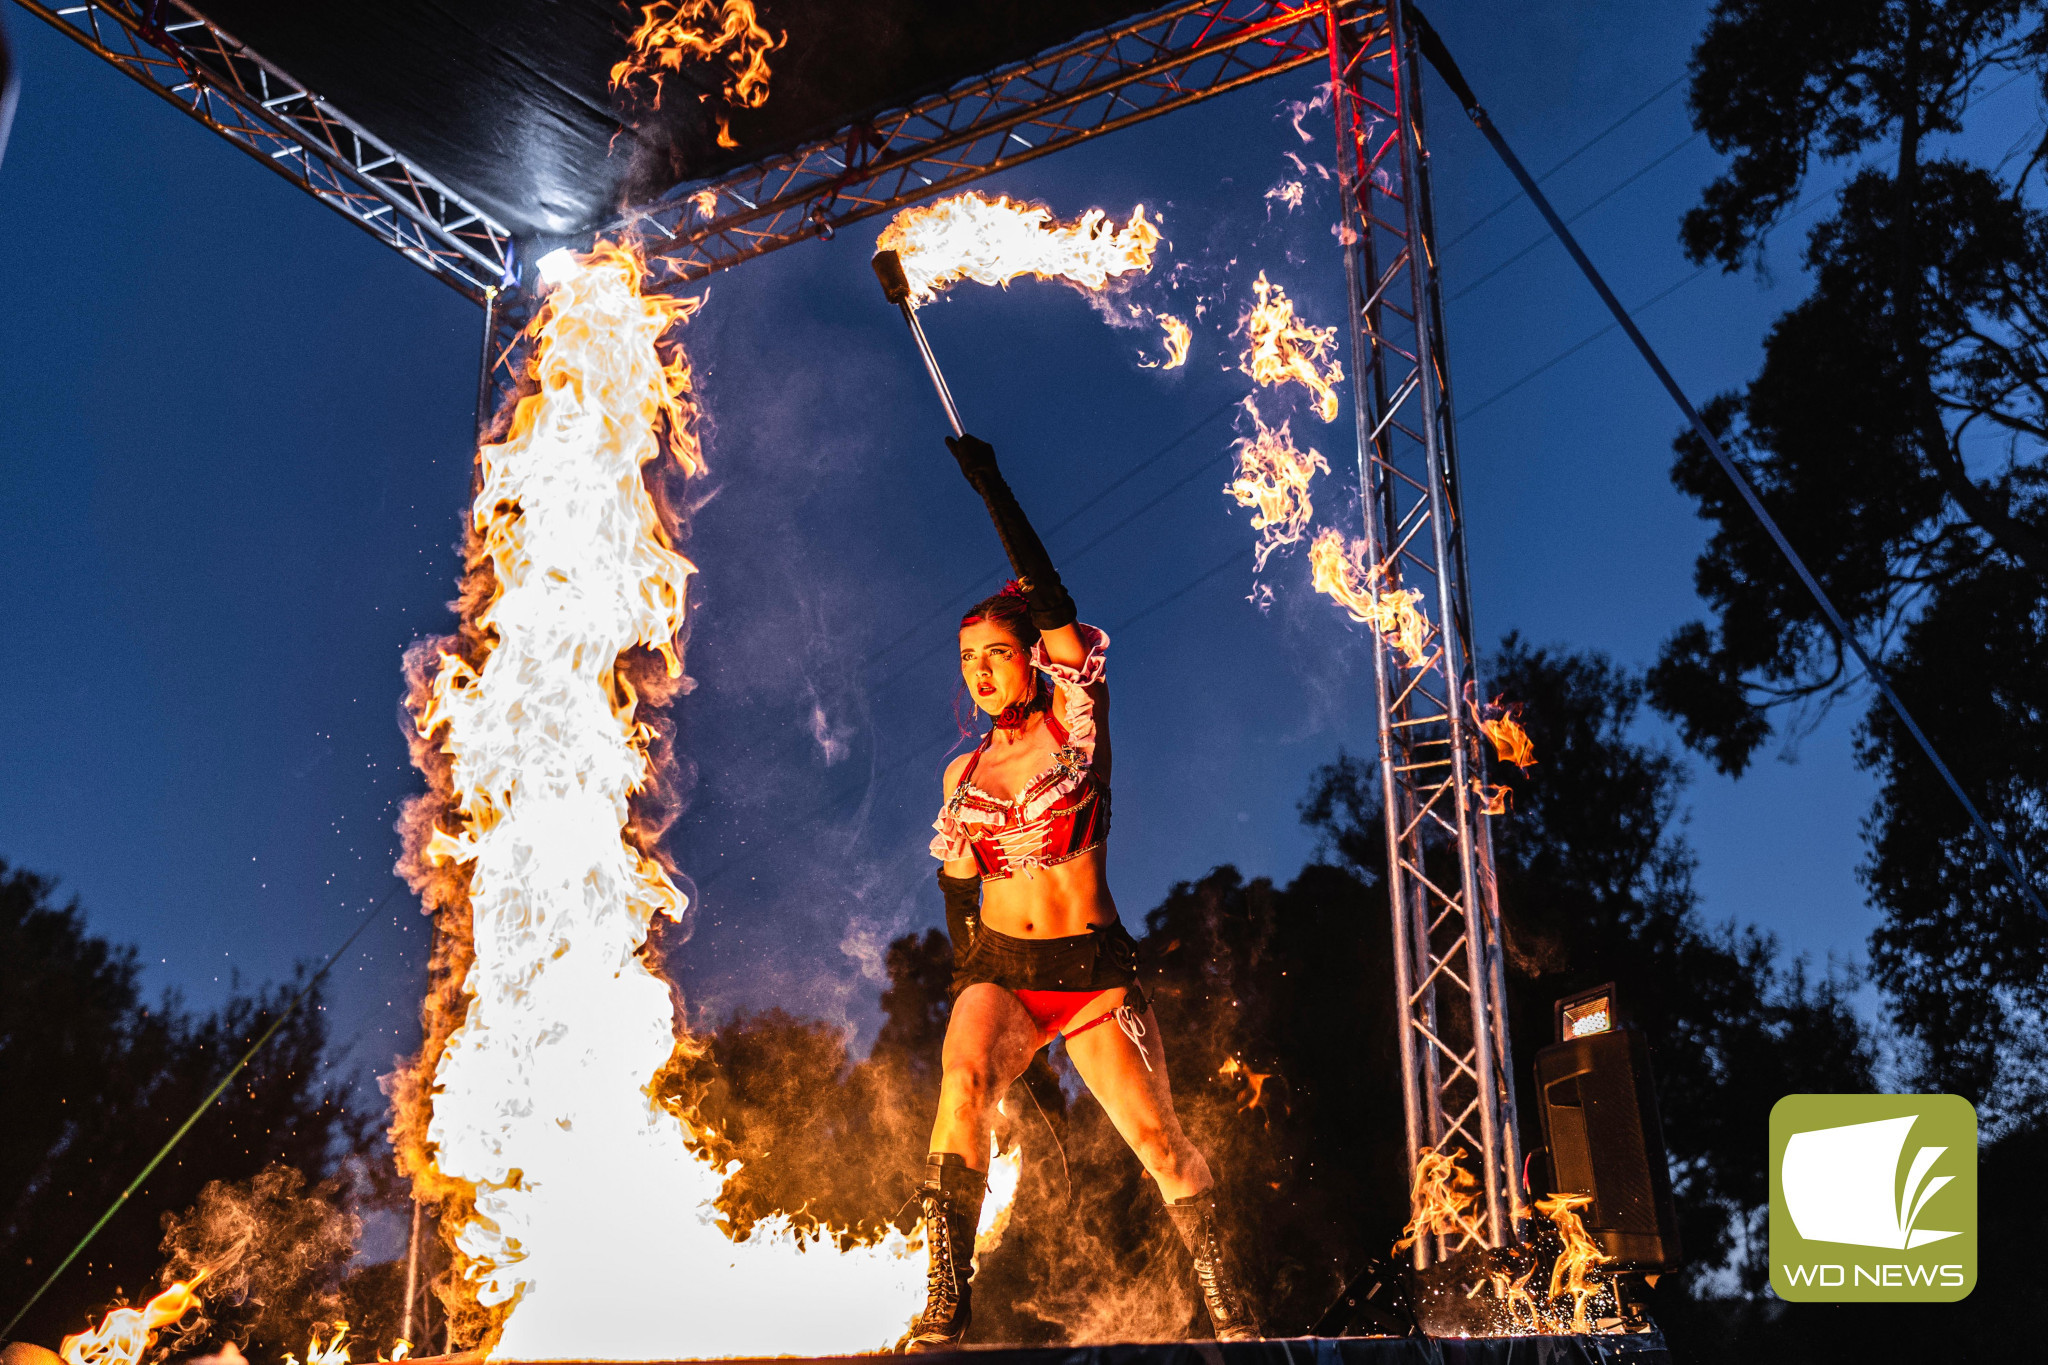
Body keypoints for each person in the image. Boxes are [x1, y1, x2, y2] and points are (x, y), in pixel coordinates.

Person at [899, 433, 1260, 1352]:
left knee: (1161, 1147)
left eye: (997, 653)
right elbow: (957, 885)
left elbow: (1053, 596)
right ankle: (946, 1306)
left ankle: (1235, 1317)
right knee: (963, 1079)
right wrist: (969, 965)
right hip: (1003, 972)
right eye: (967, 657)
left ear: (1034, 661)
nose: (980, 670)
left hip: (1093, 975)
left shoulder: (1075, 728)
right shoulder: (961, 776)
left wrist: (993, 484)